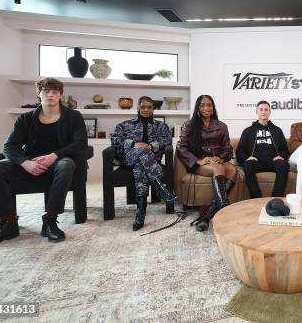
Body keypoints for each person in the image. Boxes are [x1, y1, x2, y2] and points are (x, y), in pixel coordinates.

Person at [0, 78, 87, 250]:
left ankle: (50, 221)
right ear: (39, 94)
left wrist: (54, 155)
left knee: (67, 165)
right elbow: (10, 147)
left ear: (61, 95)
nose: (50, 95)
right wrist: (25, 163)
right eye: (46, 91)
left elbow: (80, 143)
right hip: (30, 161)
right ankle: (8, 222)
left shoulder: (73, 116)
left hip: (59, 160)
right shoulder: (25, 119)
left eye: (55, 91)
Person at [111, 96, 177, 231]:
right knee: (142, 151)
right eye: (143, 107)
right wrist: (134, 144)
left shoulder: (161, 126)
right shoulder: (124, 125)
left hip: (148, 161)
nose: (146, 110)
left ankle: (141, 213)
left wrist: (151, 146)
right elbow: (115, 140)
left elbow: (167, 141)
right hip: (129, 158)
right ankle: (161, 189)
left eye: (149, 107)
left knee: (141, 166)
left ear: (153, 109)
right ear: (138, 108)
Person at [177, 95, 237, 232]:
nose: (206, 108)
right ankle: (224, 212)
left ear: (213, 107)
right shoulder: (189, 125)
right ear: (198, 108)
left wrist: (221, 158)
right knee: (218, 169)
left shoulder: (222, 126)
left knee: (233, 170)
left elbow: (227, 148)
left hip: (217, 160)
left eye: (209, 105)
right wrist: (198, 160)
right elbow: (181, 147)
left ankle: (206, 216)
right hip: (200, 163)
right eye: (202, 105)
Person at [236, 101, 289, 199]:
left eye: (266, 110)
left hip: (273, 161)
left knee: (284, 165)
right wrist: (247, 158)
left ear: (269, 112)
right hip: (256, 162)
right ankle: (257, 198)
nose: (263, 112)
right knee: (247, 165)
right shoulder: (248, 131)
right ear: (257, 112)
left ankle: (276, 199)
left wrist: (281, 156)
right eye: (261, 109)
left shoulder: (277, 130)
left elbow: (285, 149)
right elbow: (240, 150)